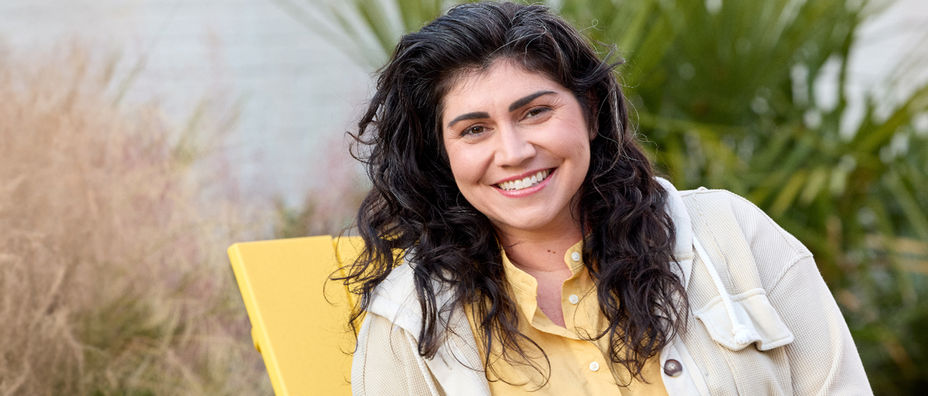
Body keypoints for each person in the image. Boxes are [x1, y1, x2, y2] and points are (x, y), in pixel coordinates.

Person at [341, 2, 871, 395]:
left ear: (591, 110)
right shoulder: (408, 320)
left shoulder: (729, 233)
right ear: (442, 153)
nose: (514, 152)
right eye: (474, 130)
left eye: (535, 112)